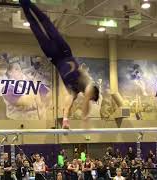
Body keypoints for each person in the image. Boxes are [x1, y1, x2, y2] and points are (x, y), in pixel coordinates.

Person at [19, 0, 100, 129]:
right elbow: (87, 100)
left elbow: (67, 106)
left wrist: (65, 121)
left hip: (55, 58)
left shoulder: (74, 91)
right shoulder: (88, 82)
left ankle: (23, 3)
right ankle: (27, 2)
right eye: (90, 97)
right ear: (92, 93)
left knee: (36, 28)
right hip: (65, 51)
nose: (87, 97)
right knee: (47, 23)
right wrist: (85, 119)